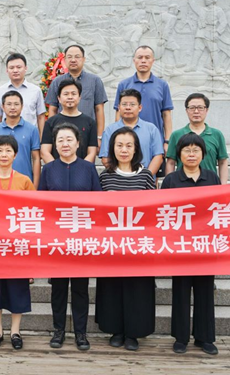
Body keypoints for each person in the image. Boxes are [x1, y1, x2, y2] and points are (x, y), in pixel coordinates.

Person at [38, 123, 102, 351]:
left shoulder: (88, 168)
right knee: (58, 288)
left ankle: (81, 333)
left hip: (81, 239)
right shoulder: (49, 169)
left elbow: (99, 202)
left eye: (69, 139)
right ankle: (58, 330)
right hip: (56, 240)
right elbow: (41, 203)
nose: (65, 144)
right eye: (60, 140)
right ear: (55, 145)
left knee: (80, 288)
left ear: (78, 143)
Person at [94, 127, 156, 351]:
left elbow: (154, 210)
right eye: (119, 145)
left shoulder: (146, 175)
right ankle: (116, 330)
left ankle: (133, 333)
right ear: (112, 148)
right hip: (112, 245)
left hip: (139, 244)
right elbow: (97, 211)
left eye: (129, 145)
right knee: (112, 288)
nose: (124, 150)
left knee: (137, 289)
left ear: (136, 149)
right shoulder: (105, 176)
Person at [161, 133, 221, 355]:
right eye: (187, 150)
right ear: (179, 154)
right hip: (180, 247)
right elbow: (161, 213)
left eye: (196, 150)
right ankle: (181, 338)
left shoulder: (212, 178)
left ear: (203, 154)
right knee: (181, 291)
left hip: (205, 245)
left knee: (205, 292)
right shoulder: (171, 180)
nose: (192, 154)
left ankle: (205, 338)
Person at [0, 135, 35, 350]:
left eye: (8, 151)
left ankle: (15, 331)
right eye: (0, 150)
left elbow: (33, 212)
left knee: (17, 287)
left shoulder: (24, 181)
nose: (4, 155)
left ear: (15, 155)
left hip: (16, 245)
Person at [114, 46, 173, 173]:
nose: (143, 61)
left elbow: (166, 114)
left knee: (152, 176)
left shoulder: (162, 85)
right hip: (127, 141)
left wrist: (167, 141)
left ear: (153, 60)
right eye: (140, 57)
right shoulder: (124, 84)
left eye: (147, 57)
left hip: (153, 139)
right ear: (134, 60)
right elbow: (118, 113)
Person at [45, 45, 107, 143]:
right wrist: (52, 136)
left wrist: (99, 137)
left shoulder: (95, 81)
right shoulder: (57, 81)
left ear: (84, 59)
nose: (73, 60)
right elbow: (52, 109)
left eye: (77, 57)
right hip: (62, 136)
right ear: (65, 60)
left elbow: (99, 109)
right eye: (69, 57)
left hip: (87, 134)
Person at [166, 93, 229, 184]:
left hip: (209, 184)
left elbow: (222, 162)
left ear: (206, 110)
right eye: (192, 108)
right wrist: (170, 183)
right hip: (182, 185)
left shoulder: (217, 134)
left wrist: (222, 187)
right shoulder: (176, 135)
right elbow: (171, 162)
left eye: (200, 107)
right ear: (186, 110)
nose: (196, 111)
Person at [100, 89, 164, 176]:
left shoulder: (151, 129)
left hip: (144, 181)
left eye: (132, 104)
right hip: (118, 181)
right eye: (124, 104)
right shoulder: (110, 130)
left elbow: (158, 157)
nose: (128, 107)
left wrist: (145, 177)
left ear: (140, 107)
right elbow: (105, 158)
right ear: (119, 107)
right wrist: (121, 176)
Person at [0, 90, 41, 187]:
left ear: (22, 106)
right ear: (3, 107)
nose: (12, 107)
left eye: (16, 104)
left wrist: (35, 186)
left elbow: (36, 158)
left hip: (24, 183)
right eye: (9, 104)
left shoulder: (32, 129)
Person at [41, 78, 98, 164]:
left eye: (73, 94)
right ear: (59, 98)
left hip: (82, 170)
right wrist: (56, 168)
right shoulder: (50, 122)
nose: (70, 97)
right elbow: (45, 152)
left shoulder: (90, 122)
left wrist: (82, 168)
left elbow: (92, 152)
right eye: (66, 94)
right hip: (56, 170)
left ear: (79, 97)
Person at [0, 53, 46, 135]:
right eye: (11, 68)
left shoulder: (36, 90)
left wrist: (41, 139)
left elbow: (41, 117)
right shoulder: (0, 91)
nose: (15, 70)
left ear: (26, 68)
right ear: (7, 70)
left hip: (29, 137)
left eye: (19, 67)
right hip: (6, 138)